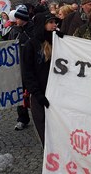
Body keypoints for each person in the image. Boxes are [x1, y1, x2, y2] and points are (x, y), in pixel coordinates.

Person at [21, 12, 59, 146]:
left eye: (55, 22)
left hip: (58, 94)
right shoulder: (31, 45)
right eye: (51, 22)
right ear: (42, 25)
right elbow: (27, 72)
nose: (54, 25)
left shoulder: (59, 41)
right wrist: (37, 94)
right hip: (40, 96)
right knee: (44, 131)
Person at [9, 5, 35, 131]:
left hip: (30, 65)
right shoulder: (13, 30)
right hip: (18, 67)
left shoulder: (33, 29)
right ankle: (22, 118)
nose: (16, 20)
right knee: (20, 94)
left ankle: (38, 115)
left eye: (18, 18)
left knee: (33, 92)